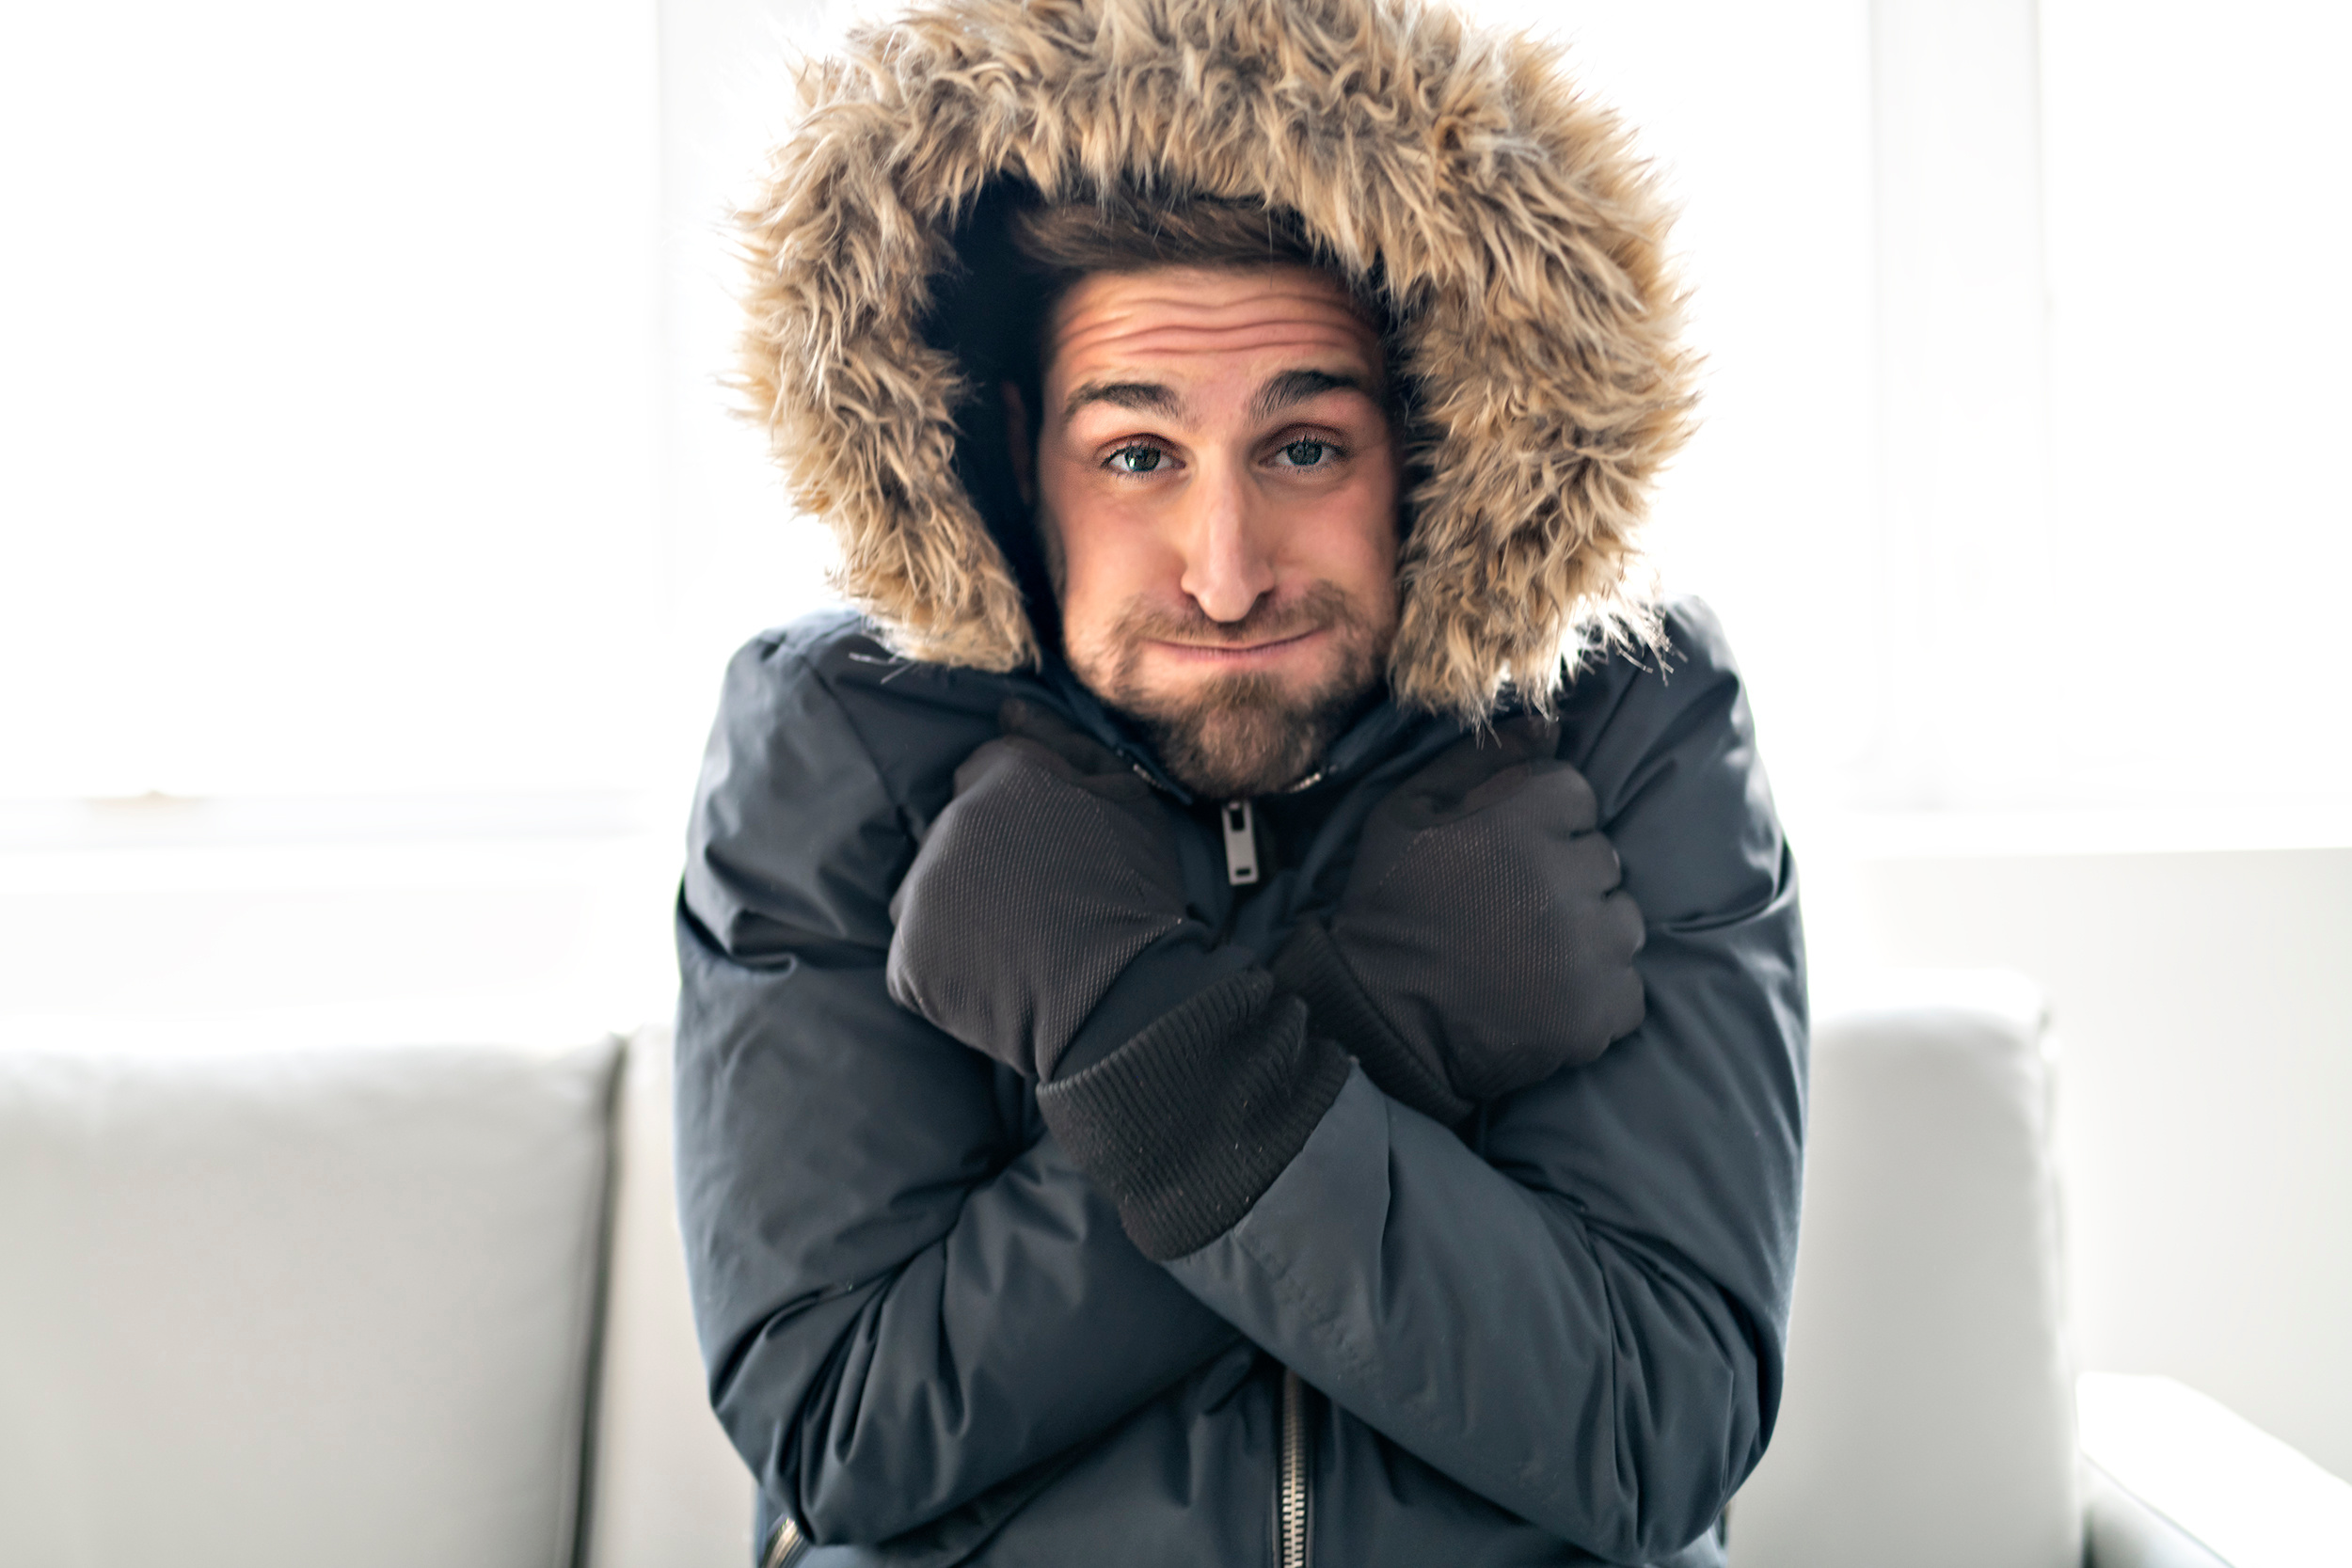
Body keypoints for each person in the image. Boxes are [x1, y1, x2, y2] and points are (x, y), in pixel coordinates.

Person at [675, 1, 1807, 1563]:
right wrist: (1373, 1017)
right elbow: (848, 1425)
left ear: (1433, 440)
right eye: (1138, 454)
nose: (1223, 575)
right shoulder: (844, 736)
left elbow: (1650, 1432)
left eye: (1306, 448)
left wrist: (1139, 1038)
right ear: (1015, 454)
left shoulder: (1618, 714)